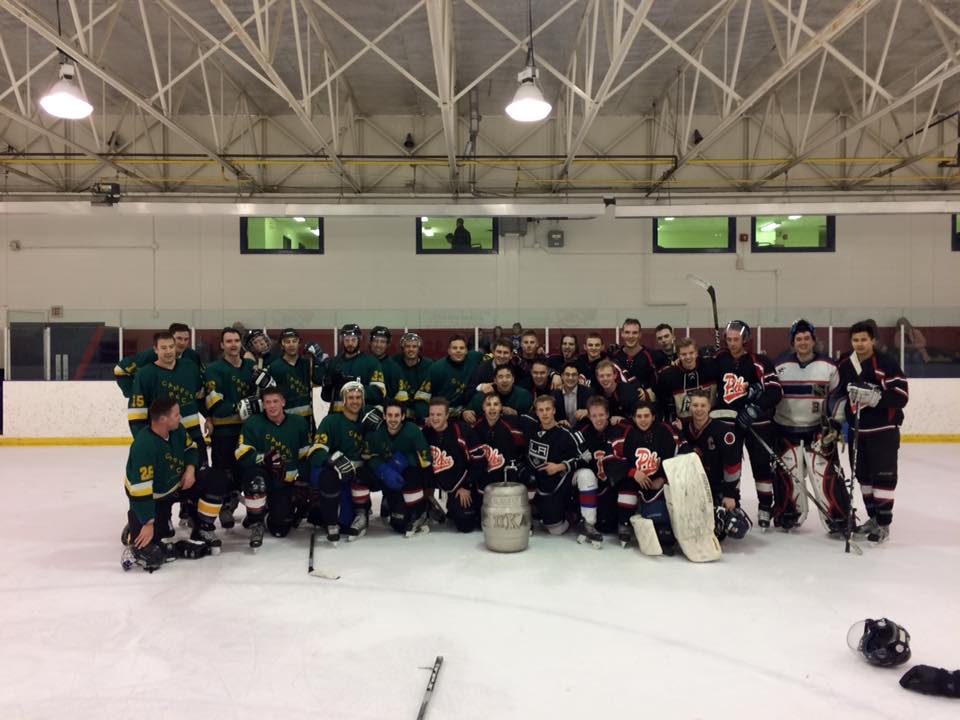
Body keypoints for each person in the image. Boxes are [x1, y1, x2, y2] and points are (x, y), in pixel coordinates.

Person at [122, 398, 226, 571]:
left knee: (217, 479)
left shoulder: (177, 430)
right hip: (152, 497)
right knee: (154, 551)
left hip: (177, 484)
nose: (180, 417)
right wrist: (147, 523)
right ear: (163, 419)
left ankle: (203, 528)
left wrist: (190, 469)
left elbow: (191, 448)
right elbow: (140, 490)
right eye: (176, 414)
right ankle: (135, 525)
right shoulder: (144, 446)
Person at [833, 320, 909, 543]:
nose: (859, 344)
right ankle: (873, 518)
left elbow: (902, 396)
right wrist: (837, 422)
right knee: (863, 477)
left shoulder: (887, 363)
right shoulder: (846, 364)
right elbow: (838, 395)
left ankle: (884, 523)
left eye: (864, 339)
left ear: (873, 339)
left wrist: (878, 399)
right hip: (858, 431)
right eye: (855, 340)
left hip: (883, 432)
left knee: (883, 478)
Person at [772, 319, 848, 533]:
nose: (803, 342)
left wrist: (834, 424)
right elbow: (770, 395)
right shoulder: (780, 366)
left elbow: (838, 397)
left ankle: (838, 517)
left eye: (807, 338)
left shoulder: (829, 366)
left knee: (826, 476)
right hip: (786, 431)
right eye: (799, 339)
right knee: (789, 476)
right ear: (793, 342)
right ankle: (788, 514)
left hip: (818, 432)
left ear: (814, 340)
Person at [713, 320, 784, 528]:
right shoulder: (720, 359)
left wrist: (756, 408)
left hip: (757, 424)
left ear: (745, 340)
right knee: (731, 467)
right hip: (730, 424)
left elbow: (775, 391)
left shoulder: (759, 362)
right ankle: (733, 503)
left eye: (737, 339)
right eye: (729, 339)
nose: (733, 343)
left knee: (761, 465)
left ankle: (765, 506)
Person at [235, 387, 312, 547]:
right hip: (264, 476)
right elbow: (241, 454)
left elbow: (305, 455)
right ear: (263, 405)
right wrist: (263, 459)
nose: (272, 406)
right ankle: (256, 522)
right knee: (256, 479)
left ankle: (264, 512)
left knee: (280, 529)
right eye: (268, 402)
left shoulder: (298, 423)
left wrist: (302, 479)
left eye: (275, 401)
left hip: (285, 482)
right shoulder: (253, 423)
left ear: (283, 402)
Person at [307, 382, 379, 543]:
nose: (355, 401)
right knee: (326, 476)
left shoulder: (369, 421)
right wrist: (331, 461)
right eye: (351, 397)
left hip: (355, 478)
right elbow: (316, 451)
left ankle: (361, 510)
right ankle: (330, 520)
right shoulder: (331, 421)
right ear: (344, 400)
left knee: (346, 523)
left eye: (358, 397)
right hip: (335, 475)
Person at [613, 401, 684, 552]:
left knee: (658, 516)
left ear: (653, 417)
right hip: (632, 480)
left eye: (646, 416)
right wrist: (633, 473)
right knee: (626, 490)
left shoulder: (665, 431)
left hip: (656, 483)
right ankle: (624, 523)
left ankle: (661, 525)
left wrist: (664, 478)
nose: (643, 420)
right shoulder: (625, 432)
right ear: (633, 418)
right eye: (639, 416)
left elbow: (680, 456)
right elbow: (613, 459)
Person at [679, 390, 750, 543]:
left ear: (709, 407)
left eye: (703, 405)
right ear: (689, 407)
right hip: (692, 487)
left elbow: (733, 466)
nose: (699, 409)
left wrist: (730, 494)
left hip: (718, 487)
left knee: (735, 526)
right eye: (695, 405)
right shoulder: (683, 430)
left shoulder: (723, 431)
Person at [204, 327, 257, 529]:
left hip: (249, 431)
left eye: (236, 340)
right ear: (222, 345)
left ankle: (255, 511)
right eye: (229, 341)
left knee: (249, 470)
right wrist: (241, 407)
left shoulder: (250, 366)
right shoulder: (214, 369)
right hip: (224, 433)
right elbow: (216, 406)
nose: (233, 344)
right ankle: (226, 507)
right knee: (224, 473)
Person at [127, 331, 206, 460]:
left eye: (171, 347)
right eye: (163, 348)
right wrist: (144, 441)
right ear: (155, 350)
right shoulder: (145, 375)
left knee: (200, 476)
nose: (168, 351)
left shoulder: (190, 367)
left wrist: (208, 417)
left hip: (194, 435)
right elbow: (136, 414)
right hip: (164, 438)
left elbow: (200, 395)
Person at [364, 400, 432, 536]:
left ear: (403, 416)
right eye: (390, 415)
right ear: (384, 416)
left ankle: (419, 511)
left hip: (408, 478)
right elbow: (368, 456)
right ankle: (373, 507)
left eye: (396, 415)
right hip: (388, 477)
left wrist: (409, 461)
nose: (393, 419)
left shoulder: (412, 430)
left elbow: (427, 460)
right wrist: (383, 469)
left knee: (412, 472)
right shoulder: (376, 432)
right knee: (398, 524)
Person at [421, 397, 487, 532]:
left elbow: (480, 460)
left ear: (447, 415)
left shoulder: (462, 430)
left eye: (439, 414)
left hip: (464, 485)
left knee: (465, 524)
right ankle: (427, 504)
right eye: (432, 414)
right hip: (443, 480)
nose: (434, 418)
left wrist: (467, 486)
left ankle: (466, 505)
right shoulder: (426, 433)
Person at [571, 396, 628, 539]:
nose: (598, 419)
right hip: (592, 483)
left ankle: (625, 521)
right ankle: (588, 522)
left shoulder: (619, 429)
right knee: (585, 474)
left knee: (607, 525)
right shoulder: (581, 432)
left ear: (608, 414)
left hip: (610, 484)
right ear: (588, 416)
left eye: (601, 415)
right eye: (594, 416)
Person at [524, 395, 581, 537]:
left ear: (554, 410)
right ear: (536, 412)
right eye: (541, 410)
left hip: (557, 485)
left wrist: (561, 466)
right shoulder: (531, 430)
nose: (544, 413)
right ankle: (532, 512)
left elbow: (585, 458)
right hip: (538, 483)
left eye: (548, 409)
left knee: (555, 530)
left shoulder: (567, 434)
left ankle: (572, 514)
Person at [114, 322, 203, 398]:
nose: (183, 343)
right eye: (179, 338)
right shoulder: (151, 355)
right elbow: (120, 369)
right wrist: (133, 393)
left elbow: (202, 378)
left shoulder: (192, 356)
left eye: (186, 339)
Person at [471, 394, 530, 497]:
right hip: (484, 482)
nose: (492, 407)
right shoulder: (475, 428)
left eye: (496, 404)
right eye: (488, 404)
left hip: (508, 480)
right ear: (483, 408)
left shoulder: (513, 424)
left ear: (501, 407)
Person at [413, 334, 484, 419]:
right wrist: (426, 418)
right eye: (454, 348)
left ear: (466, 350)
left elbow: (493, 359)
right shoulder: (437, 368)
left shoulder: (475, 358)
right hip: (441, 414)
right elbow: (422, 396)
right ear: (449, 351)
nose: (458, 351)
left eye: (462, 348)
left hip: (465, 412)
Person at [320, 324, 386, 411]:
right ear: (342, 341)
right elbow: (325, 397)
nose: (350, 343)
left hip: (360, 417)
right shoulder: (334, 362)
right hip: (337, 416)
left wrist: (353, 385)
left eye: (353, 340)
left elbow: (379, 394)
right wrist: (328, 386)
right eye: (347, 340)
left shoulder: (371, 362)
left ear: (359, 340)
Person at [655, 337, 719, 423]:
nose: (688, 357)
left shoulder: (711, 366)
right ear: (678, 355)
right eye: (684, 354)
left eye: (691, 353)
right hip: (684, 426)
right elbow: (662, 402)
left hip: (711, 422)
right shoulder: (668, 376)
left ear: (696, 353)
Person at [267, 328, 319, 420]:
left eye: (294, 341)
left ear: (299, 344)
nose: (291, 344)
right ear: (282, 345)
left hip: (308, 418)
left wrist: (318, 360)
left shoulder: (308, 363)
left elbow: (319, 381)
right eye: (287, 342)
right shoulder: (274, 367)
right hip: (286, 418)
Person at [462, 365, 533, 425]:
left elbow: (531, 420)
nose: (504, 380)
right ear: (495, 380)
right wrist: (466, 413)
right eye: (500, 377)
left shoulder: (524, 396)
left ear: (513, 379)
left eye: (508, 376)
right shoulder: (483, 396)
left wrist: (518, 415)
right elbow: (468, 411)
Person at [610, 318, 658, 394]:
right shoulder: (614, 357)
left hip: (646, 404)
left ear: (640, 335)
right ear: (622, 334)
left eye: (634, 333)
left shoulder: (653, 356)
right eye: (627, 332)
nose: (631, 336)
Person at [392, 332, 433, 420]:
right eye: (407, 346)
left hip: (423, 410)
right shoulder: (393, 364)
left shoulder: (429, 365)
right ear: (402, 348)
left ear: (419, 349)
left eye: (414, 346)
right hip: (399, 409)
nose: (411, 349)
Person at [594, 360, 639, 426]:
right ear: (597, 378)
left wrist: (623, 420)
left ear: (615, 375)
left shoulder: (627, 391)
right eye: (601, 376)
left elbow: (638, 417)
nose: (605, 379)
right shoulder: (596, 393)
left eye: (608, 375)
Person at [553, 362, 594, 427]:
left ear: (578, 377)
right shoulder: (555, 395)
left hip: (583, 431)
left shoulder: (589, 393)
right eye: (567, 374)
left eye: (574, 375)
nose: (570, 378)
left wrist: (588, 412)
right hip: (562, 431)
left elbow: (598, 411)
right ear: (562, 376)